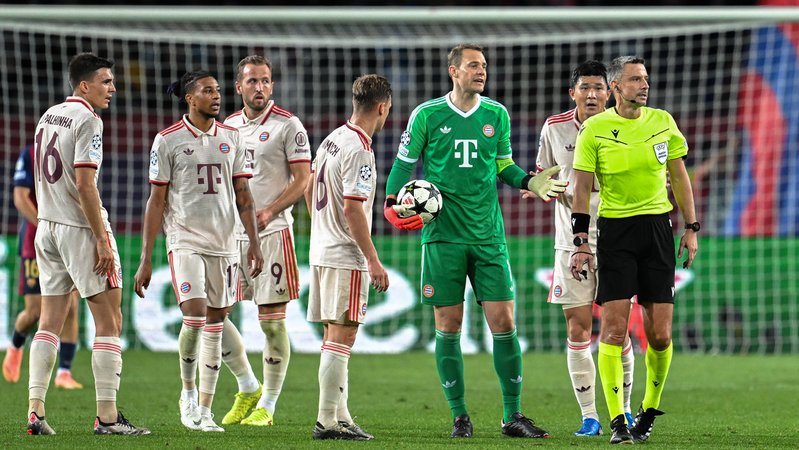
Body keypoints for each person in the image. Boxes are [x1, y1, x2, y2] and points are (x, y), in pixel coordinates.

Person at [384, 43, 566, 439]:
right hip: (442, 236)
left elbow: (503, 165)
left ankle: (512, 415)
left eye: (483, 65)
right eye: (472, 66)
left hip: (488, 237)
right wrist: (390, 202)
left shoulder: (496, 114)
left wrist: (529, 180)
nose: (481, 71)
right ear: (454, 71)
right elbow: (402, 165)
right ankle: (459, 415)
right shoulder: (427, 114)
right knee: (448, 326)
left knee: (504, 322)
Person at [570, 55, 698, 444]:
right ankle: (618, 421)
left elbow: (679, 177)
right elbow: (580, 188)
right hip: (615, 233)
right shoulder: (595, 129)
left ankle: (648, 410)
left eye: (646, 78)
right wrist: (580, 242)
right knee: (612, 329)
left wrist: (690, 229)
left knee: (659, 336)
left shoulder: (663, 122)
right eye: (635, 79)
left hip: (659, 230)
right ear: (614, 88)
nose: (644, 85)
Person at [133, 70, 264, 433]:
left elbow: (244, 196)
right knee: (194, 315)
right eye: (208, 91)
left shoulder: (233, 137)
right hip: (185, 240)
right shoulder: (167, 140)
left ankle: (205, 411)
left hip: (224, 243)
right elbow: (156, 200)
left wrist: (253, 242)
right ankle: (187, 394)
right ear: (190, 98)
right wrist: (146, 258)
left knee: (216, 325)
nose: (217, 96)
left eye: (218, 90)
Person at [27, 52, 149, 435]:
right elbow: (84, 183)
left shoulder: (49, 115)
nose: (113, 88)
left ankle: (35, 411)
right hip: (79, 228)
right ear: (84, 85)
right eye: (106, 81)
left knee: (49, 321)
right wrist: (100, 239)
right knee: (110, 319)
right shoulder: (88, 120)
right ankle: (108, 418)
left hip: (46, 227)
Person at [527, 60, 636, 436]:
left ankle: (622, 410)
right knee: (577, 328)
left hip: (618, 238)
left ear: (611, 92)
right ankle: (589, 415)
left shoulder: (624, 125)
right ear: (572, 92)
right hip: (569, 242)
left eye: (599, 88)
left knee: (616, 329)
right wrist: (539, 185)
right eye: (584, 88)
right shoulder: (554, 128)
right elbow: (542, 175)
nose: (592, 95)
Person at [218, 55, 312, 427]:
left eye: (266, 81)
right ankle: (247, 385)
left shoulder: (289, 125)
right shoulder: (228, 125)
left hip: (272, 235)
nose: (260, 88)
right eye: (252, 82)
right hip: (230, 236)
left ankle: (268, 406)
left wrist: (270, 210)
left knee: (271, 324)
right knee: (212, 315)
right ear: (239, 87)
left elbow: (303, 179)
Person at [304, 74, 392, 441]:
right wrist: (373, 260)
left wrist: (321, 229)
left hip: (322, 249)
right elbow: (354, 209)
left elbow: (309, 188)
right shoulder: (360, 149)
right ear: (382, 107)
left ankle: (340, 415)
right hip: (345, 255)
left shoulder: (332, 139)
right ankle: (327, 421)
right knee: (342, 334)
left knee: (334, 334)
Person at [4, 145, 83, 390]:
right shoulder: (30, 154)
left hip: (68, 237)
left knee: (71, 304)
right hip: (35, 240)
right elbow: (20, 197)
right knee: (35, 312)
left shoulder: (76, 151)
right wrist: (44, 223)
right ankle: (16, 347)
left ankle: (64, 372)